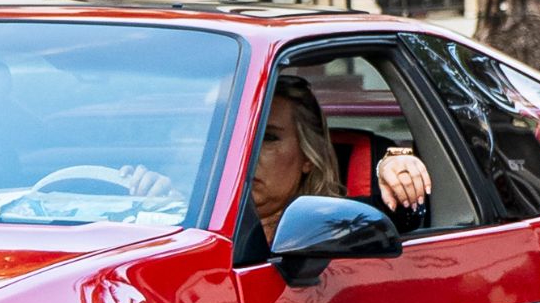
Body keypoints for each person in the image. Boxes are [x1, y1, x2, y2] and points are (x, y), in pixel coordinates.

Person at [124, 73, 433, 242]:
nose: (247, 154)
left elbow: (402, 219)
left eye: (268, 138)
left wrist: (398, 163)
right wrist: (162, 208)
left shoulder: (339, 221)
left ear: (307, 157)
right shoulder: (188, 214)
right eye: (233, 140)